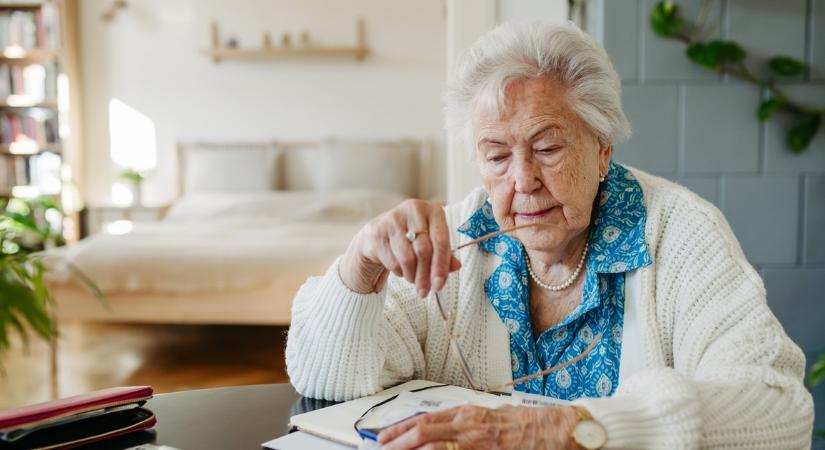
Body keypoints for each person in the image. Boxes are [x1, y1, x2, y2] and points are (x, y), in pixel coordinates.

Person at [285, 22, 814, 449]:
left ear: (602, 148)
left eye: (547, 147)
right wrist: (360, 267)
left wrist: (579, 427)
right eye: (496, 156)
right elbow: (329, 381)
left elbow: (779, 410)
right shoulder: (457, 242)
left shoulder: (679, 233)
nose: (523, 180)